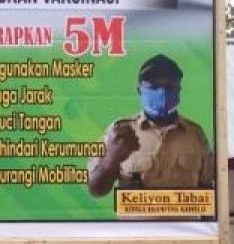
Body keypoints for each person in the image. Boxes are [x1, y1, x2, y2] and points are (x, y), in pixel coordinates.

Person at [88, 54, 215, 197]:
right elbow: (95, 190)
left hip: (185, 219)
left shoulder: (195, 134)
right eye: (153, 86)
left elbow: (208, 187)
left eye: (169, 86)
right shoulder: (120, 132)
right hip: (137, 219)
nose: (162, 92)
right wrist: (111, 158)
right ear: (139, 91)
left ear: (179, 90)